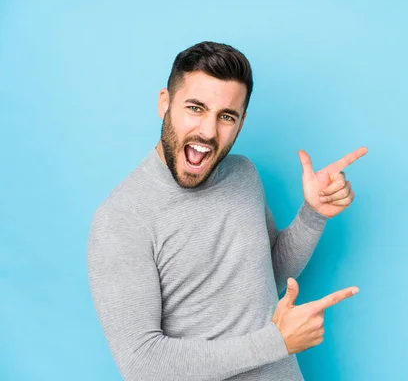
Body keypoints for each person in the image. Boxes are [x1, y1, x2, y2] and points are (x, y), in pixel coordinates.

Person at [86, 41, 368, 381]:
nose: (208, 131)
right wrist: (274, 342)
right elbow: (143, 364)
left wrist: (313, 213)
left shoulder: (243, 174)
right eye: (195, 107)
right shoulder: (121, 219)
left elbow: (265, 279)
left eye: (226, 116)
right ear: (165, 103)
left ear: (241, 121)